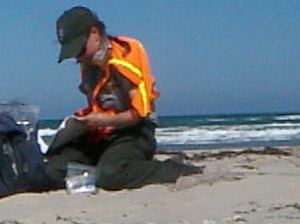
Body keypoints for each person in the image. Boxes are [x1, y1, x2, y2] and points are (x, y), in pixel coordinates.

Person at [45, 6, 199, 190]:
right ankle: (95, 169)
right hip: (103, 133)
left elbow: (140, 114)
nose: (78, 57)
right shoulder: (88, 65)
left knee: (111, 175)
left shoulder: (126, 55)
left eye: (79, 49)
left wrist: (106, 120)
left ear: (95, 32)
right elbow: (95, 104)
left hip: (135, 132)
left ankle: (175, 169)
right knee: (51, 171)